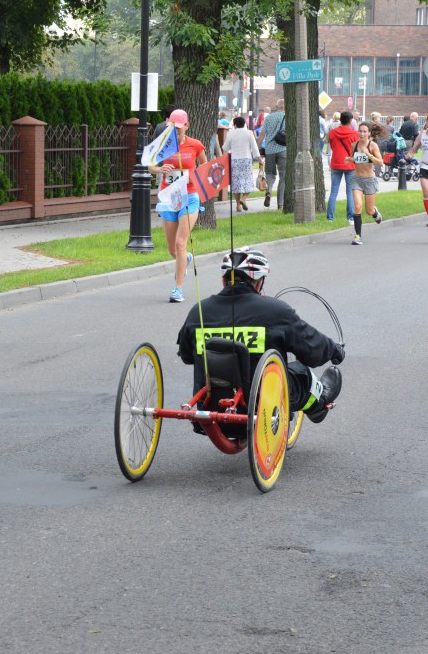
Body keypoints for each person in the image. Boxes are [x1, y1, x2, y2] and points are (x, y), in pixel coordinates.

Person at [176, 247, 345, 425]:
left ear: (224, 280)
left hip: (210, 414)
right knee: (304, 375)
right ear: (259, 282)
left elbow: (187, 357)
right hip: (264, 412)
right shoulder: (276, 311)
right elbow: (313, 350)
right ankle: (318, 404)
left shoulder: (198, 312)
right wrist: (335, 351)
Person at [146, 109, 207, 303]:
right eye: (173, 128)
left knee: (181, 243)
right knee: (172, 249)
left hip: (189, 196)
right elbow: (150, 166)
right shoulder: (162, 144)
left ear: (187, 126)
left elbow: (204, 165)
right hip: (168, 197)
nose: (177, 131)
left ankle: (177, 288)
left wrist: (198, 183)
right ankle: (184, 259)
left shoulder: (195, 145)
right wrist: (159, 169)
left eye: (180, 128)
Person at [348, 121, 384, 245]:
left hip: (369, 180)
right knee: (357, 207)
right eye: (360, 131)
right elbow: (355, 158)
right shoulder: (354, 145)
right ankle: (358, 236)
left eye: (364, 131)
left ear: (369, 133)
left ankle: (375, 212)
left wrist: (370, 155)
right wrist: (349, 159)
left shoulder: (372, 146)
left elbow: (380, 163)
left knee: (368, 211)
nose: (362, 134)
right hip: (357, 179)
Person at [326, 110, 360, 223]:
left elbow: (332, 146)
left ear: (340, 120)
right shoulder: (354, 134)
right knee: (350, 191)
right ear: (350, 121)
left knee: (334, 191)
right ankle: (350, 218)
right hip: (349, 164)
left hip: (336, 163)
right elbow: (356, 150)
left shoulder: (332, 133)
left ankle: (330, 218)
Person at [223, 116, 261, 211]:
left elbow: (225, 148)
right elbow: (254, 147)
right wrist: (260, 159)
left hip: (235, 160)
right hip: (246, 159)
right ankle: (244, 199)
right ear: (244, 124)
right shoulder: (249, 133)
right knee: (247, 180)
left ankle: (237, 205)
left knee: (236, 183)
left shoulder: (230, 133)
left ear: (235, 125)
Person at [257, 99, 287, 209]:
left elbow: (262, 135)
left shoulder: (268, 117)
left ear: (276, 106)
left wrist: (257, 151)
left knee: (270, 173)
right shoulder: (288, 117)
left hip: (269, 150)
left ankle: (269, 191)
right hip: (283, 149)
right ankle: (280, 203)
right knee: (283, 176)